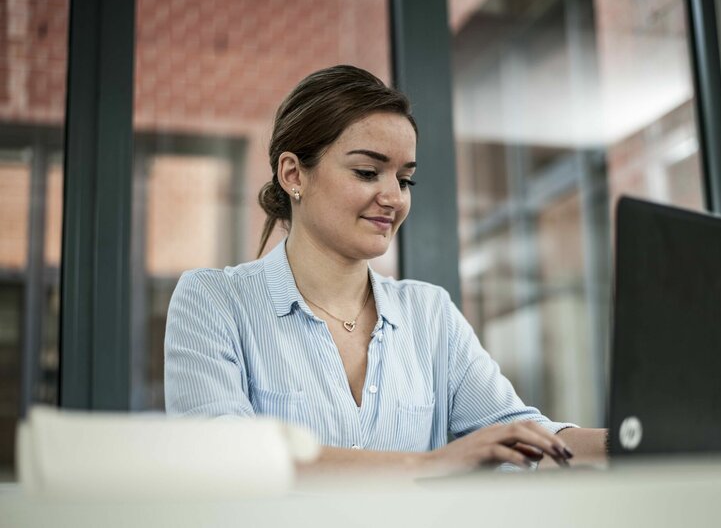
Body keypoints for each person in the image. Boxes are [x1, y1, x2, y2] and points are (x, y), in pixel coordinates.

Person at [164, 65, 607, 475]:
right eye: (367, 171)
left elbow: (522, 436)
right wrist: (430, 464)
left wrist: (632, 442)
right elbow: (227, 459)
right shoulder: (214, 302)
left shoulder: (429, 313)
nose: (394, 197)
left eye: (404, 179)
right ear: (293, 174)